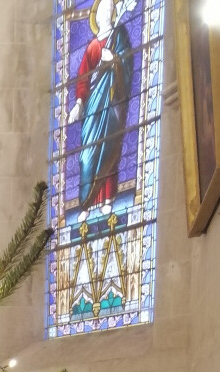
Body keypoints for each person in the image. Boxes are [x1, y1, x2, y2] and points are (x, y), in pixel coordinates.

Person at [67, 0, 136, 221]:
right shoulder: (92, 47)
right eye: (102, 10)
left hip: (112, 103)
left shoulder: (120, 36)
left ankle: (107, 200)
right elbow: (83, 78)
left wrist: (114, 60)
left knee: (109, 147)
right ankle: (85, 204)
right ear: (96, 17)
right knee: (86, 156)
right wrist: (79, 104)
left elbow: (127, 65)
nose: (105, 13)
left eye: (109, 9)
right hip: (92, 108)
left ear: (113, 13)